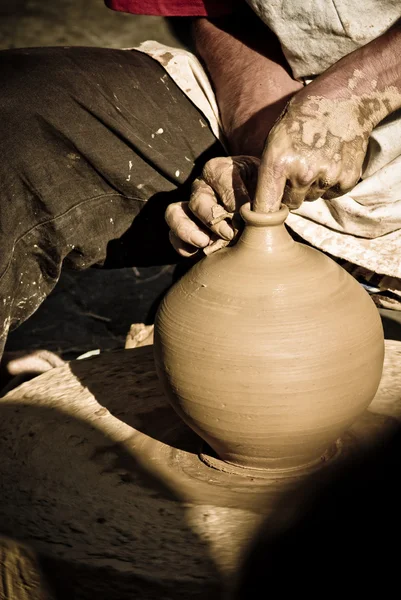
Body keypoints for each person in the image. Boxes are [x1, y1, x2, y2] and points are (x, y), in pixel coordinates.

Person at [1, 0, 401, 388]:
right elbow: (216, 11)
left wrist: (357, 93)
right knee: (15, 109)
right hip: (286, 106)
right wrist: (261, 150)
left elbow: (350, 96)